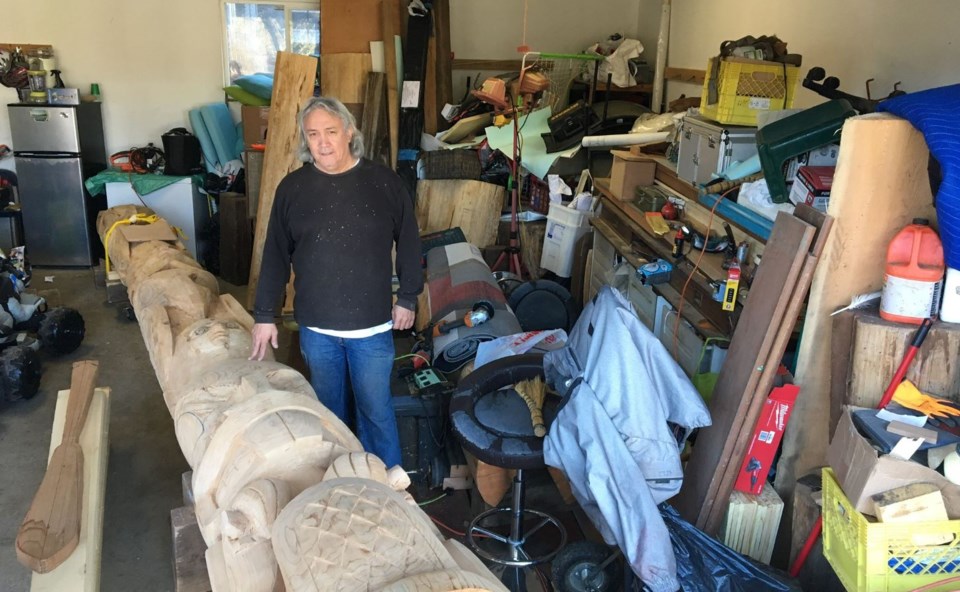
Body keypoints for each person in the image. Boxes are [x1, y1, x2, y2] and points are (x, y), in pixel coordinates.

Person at [250, 96, 422, 470]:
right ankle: (340, 488)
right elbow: (276, 254)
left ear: (349, 132)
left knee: (376, 413)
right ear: (305, 140)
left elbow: (409, 241)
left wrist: (408, 297)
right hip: (318, 328)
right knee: (329, 417)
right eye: (313, 134)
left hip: (372, 327)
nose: (323, 142)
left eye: (330, 132)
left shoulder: (384, 183)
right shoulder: (292, 189)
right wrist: (265, 315)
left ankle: (390, 492)